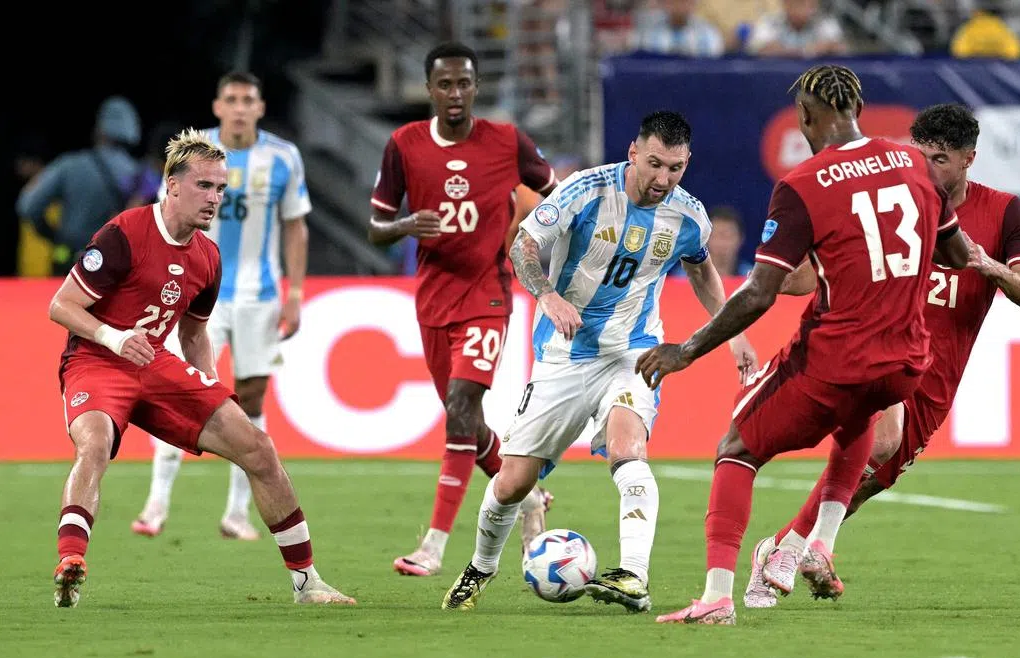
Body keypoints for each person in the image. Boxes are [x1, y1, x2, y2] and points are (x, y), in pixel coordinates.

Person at [638, 65, 973, 625]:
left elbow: (759, 293)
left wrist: (688, 349)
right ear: (857, 109)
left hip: (835, 359)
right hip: (907, 363)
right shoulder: (915, 163)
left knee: (736, 449)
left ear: (805, 117)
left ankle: (718, 595)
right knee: (860, 415)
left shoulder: (803, 184)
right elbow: (957, 256)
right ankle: (815, 542)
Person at [441, 110, 758, 614]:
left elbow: (702, 270)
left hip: (634, 350)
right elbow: (524, 246)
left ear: (687, 163)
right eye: (654, 164)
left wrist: (733, 332)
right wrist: (547, 295)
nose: (663, 179)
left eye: (675, 168)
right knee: (513, 481)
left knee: (627, 447)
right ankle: (481, 566)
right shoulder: (583, 191)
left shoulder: (689, 215)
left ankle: (634, 576)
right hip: (563, 354)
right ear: (633, 152)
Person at [744, 103, 1020, 608]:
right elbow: (824, 266)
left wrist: (987, 265)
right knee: (880, 440)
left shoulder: (1002, 210)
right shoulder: (893, 197)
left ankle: (783, 548)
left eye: (942, 159)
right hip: (878, 344)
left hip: (937, 376)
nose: (928, 168)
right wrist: (778, 277)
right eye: (921, 155)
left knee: (869, 479)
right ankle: (795, 549)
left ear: (969, 159)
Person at [49, 128, 352, 608]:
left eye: (221, 188)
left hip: (154, 365)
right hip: (96, 360)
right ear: (172, 185)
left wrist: (210, 395)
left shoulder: (207, 257)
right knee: (96, 443)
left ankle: (307, 582)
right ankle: (71, 562)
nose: (215, 199)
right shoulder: (124, 233)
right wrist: (115, 336)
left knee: (258, 447)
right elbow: (61, 306)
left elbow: (193, 334)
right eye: (204, 186)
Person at [368, 42, 560, 577]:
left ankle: (433, 545)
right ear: (430, 89)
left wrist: (538, 243)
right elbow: (375, 228)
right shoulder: (404, 145)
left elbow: (558, 197)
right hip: (432, 299)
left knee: (460, 407)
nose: (456, 94)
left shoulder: (506, 142)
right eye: (445, 84)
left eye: (465, 84)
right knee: (468, 426)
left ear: (476, 87)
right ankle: (529, 499)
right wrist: (406, 226)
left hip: (488, 295)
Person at [131, 72, 312, 541]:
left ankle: (236, 513)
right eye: (230, 99)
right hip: (195, 294)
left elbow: (295, 225)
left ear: (259, 106)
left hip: (259, 296)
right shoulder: (195, 157)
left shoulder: (283, 157)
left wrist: (294, 292)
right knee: (177, 391)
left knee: (249, 399)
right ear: (217, 106)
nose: (238, 107)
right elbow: (164, 221)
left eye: (246, 100)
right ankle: (156, 505)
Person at [16, 96, 145, 275]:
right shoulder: (141, 175)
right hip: (112, 269)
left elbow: (27, 207)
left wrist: (52, 235)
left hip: (68, 261)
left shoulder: (69, 165)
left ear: (99, 129)